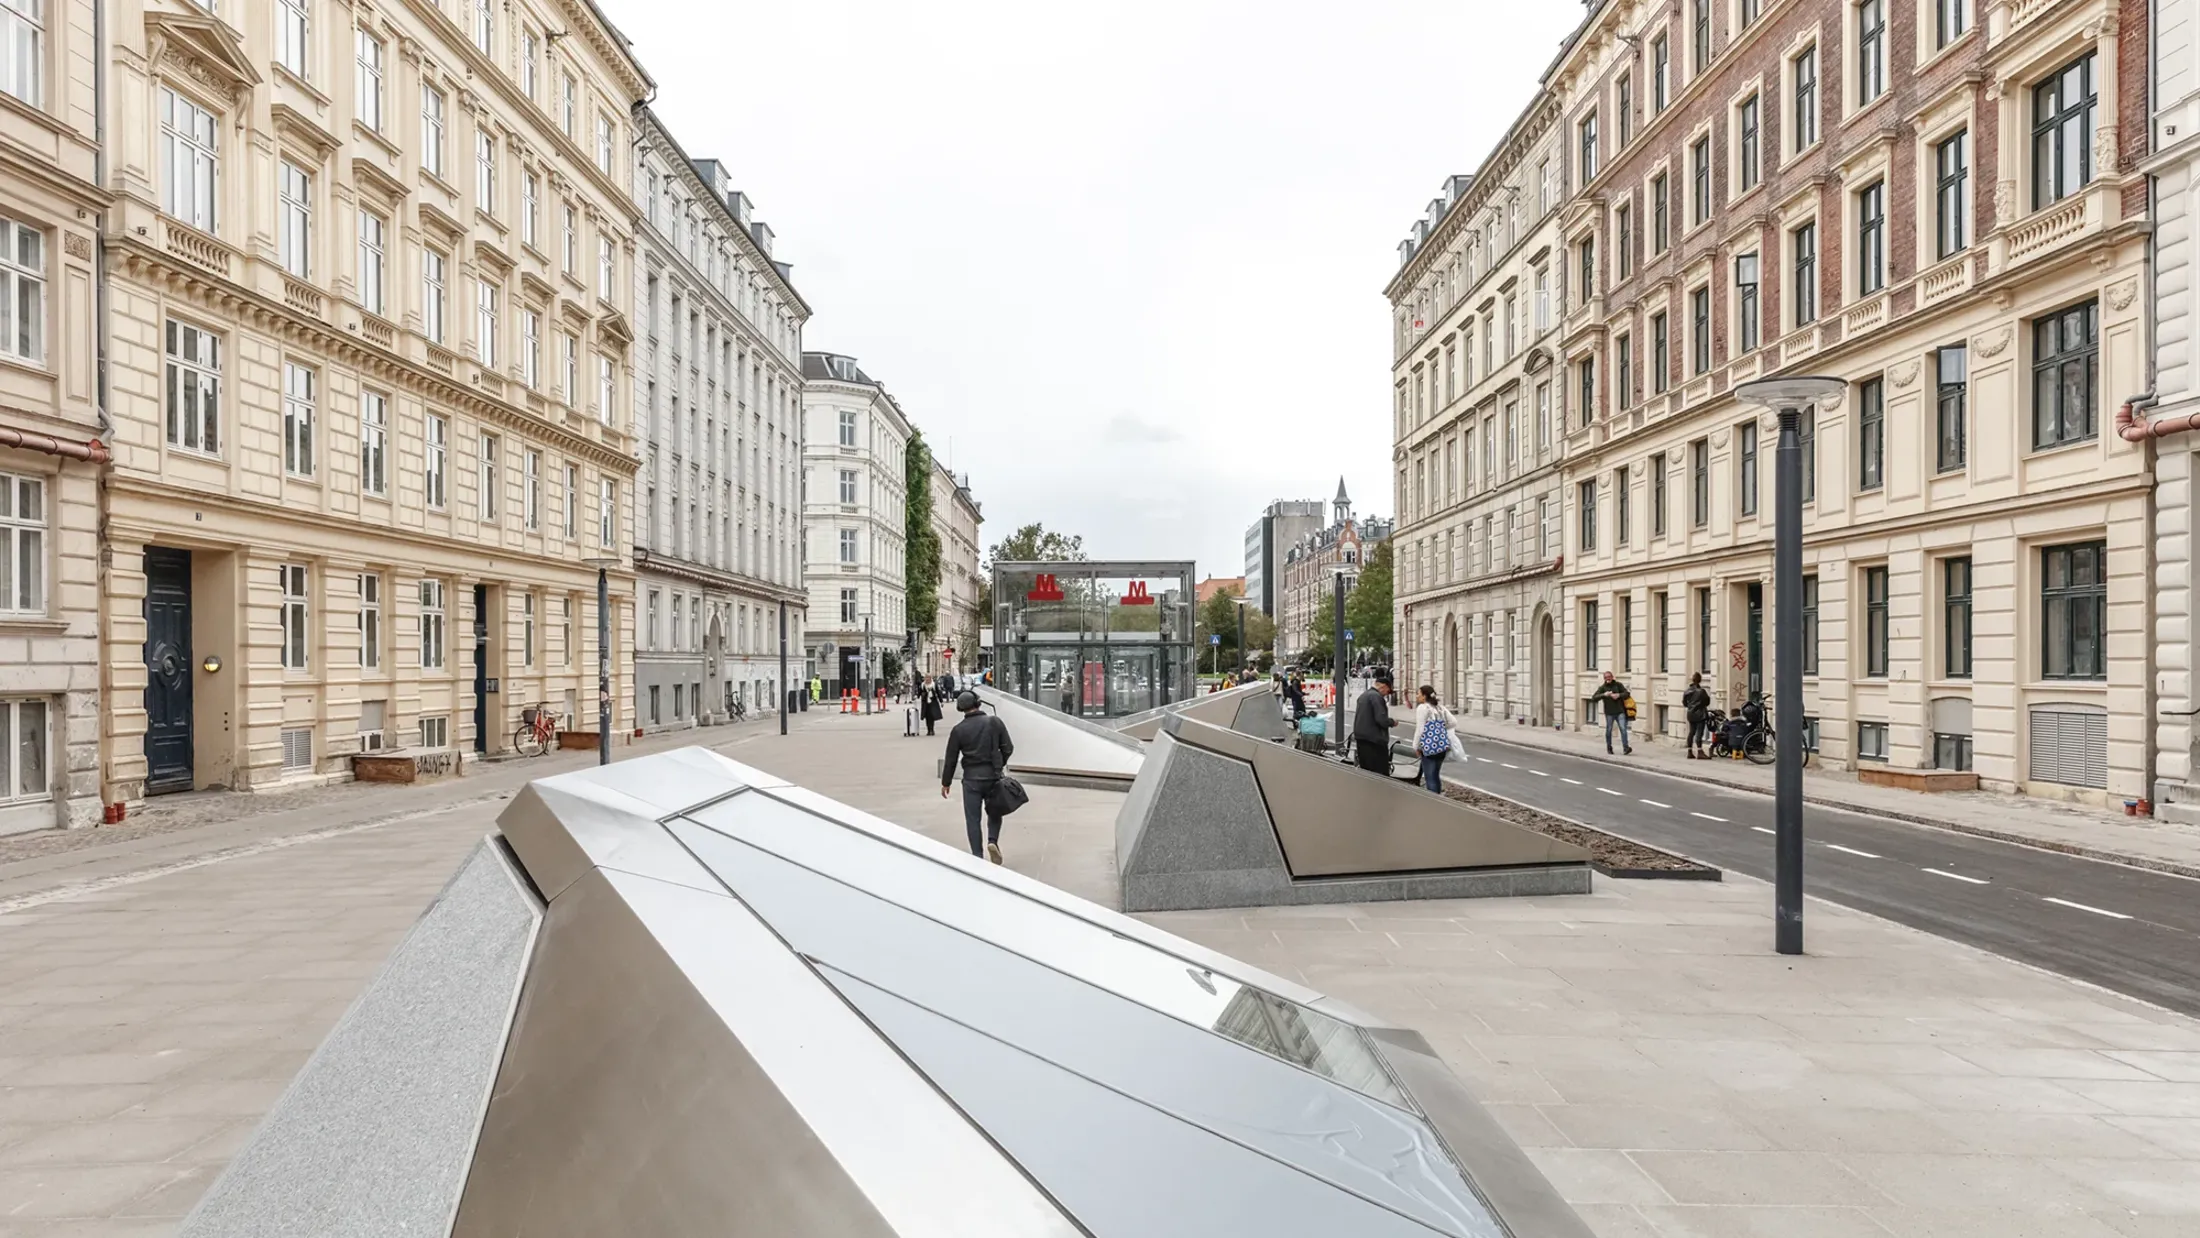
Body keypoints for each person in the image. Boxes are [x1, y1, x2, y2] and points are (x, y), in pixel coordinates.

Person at [940, 690, 1014, 864]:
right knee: (995, 811)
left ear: (961, 708)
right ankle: (992, 841)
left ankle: (977, 857)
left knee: (973, 819)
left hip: (971, 779)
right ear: (978, 703)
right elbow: (1008, 747)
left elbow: (951, 759)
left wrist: (946, 783)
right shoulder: (994, 722)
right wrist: (999, 763)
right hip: (993, 776)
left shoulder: (958, 730)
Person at [1351, 670, 1402, 775]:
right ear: (1383, 687)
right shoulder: (1376, 697)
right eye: (1388, 691)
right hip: (1374, 740)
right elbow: (1381, 719)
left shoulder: (1364, 696)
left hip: (1362, 738)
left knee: (1366, 771)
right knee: (1379, 772)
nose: (1386, 695)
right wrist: (1392, 722)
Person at [1411, 686, 1453, 793]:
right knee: (1435, 775)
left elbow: (1420, 729)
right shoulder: (1440, 708)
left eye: (1418, 694)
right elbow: (1452, 722)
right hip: (1441, 745)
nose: (1417, 696)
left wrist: (1416, 746)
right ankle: (1438, 797)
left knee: (1430, 777)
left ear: (1424, 696)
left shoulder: (1423, 708)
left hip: (1429, 746)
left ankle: (1433, 800)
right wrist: (1440, 728)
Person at [1591, 670, 1633, 755]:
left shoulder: (1618, 685)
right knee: (1609, 730)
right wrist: (1604, 695)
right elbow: (1594, 698)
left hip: (1620, 711)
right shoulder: (1603, 687)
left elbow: (1627, 694)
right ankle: (1609, 747)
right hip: (1609, 713)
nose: (1608, 679)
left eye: (1609, 677)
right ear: (1604, 679)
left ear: (1612, 677)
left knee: (1623, 729)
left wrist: (1618, 695)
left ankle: (1626, 748)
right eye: (1606, 677)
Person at [1682, 672, 1713, 759]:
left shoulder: (1687, 691)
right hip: (1700, 714)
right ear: (1700, 680)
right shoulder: (1701, 691)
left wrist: (1691, 706)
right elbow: (1707, 702)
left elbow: (1684, 703)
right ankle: (1700, 751)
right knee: (1699, 732)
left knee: (1691, 732)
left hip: (1690, 713)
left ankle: (1690, 751)